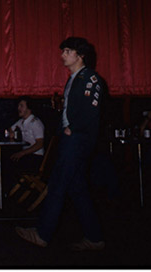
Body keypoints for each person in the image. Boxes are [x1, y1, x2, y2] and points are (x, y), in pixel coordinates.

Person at [16, 37, 105, 251]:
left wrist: (73, 128)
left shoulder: (90, 78)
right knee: (77, 188)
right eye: (62, 51)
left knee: (57, 184)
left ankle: (42, 233)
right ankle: (95, 238)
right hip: (70, 138)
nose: (62, 55)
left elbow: (92, 111)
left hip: (77, 139)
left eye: (67, 51)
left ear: (80, 55)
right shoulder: (73, 78)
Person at [8, 96, 45, 172]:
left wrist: (22, 153)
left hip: (36, 156)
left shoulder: (35, 123)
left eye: (21, 106)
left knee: (13, 166)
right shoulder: (21, 121)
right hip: (26, 155)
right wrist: (11, 133)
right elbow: (10, 129)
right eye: (18, 106)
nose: (18, 108)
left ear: (29, 108)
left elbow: (40, 144)